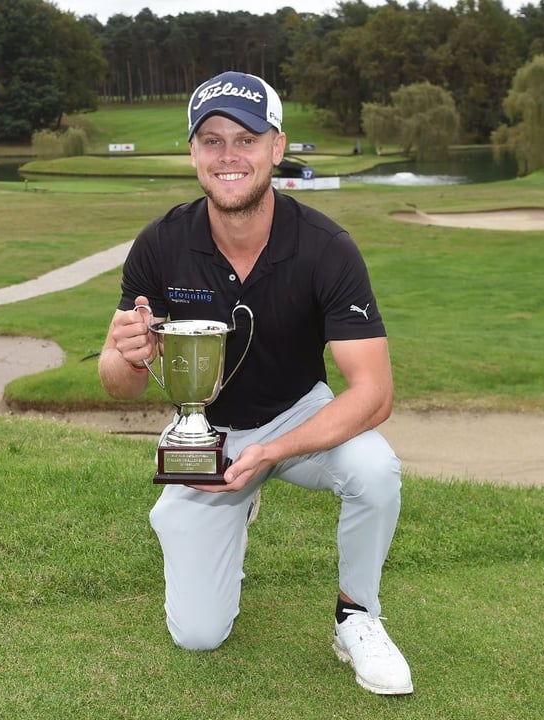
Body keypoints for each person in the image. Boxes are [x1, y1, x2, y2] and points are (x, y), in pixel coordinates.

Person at [98, 71, 412, 696]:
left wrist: (270, 453)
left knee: (376, 472)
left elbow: (374, 392)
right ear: (193, 153)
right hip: (208, 431)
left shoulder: (326, 247)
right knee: (198, 634)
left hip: (300, 416)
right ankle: (232, 510)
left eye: (246, 138)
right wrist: (125, 354)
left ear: (276, 146)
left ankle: (358, 617)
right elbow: (120, 387)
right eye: (211, 140)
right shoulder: (161, 244)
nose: (228, 156)